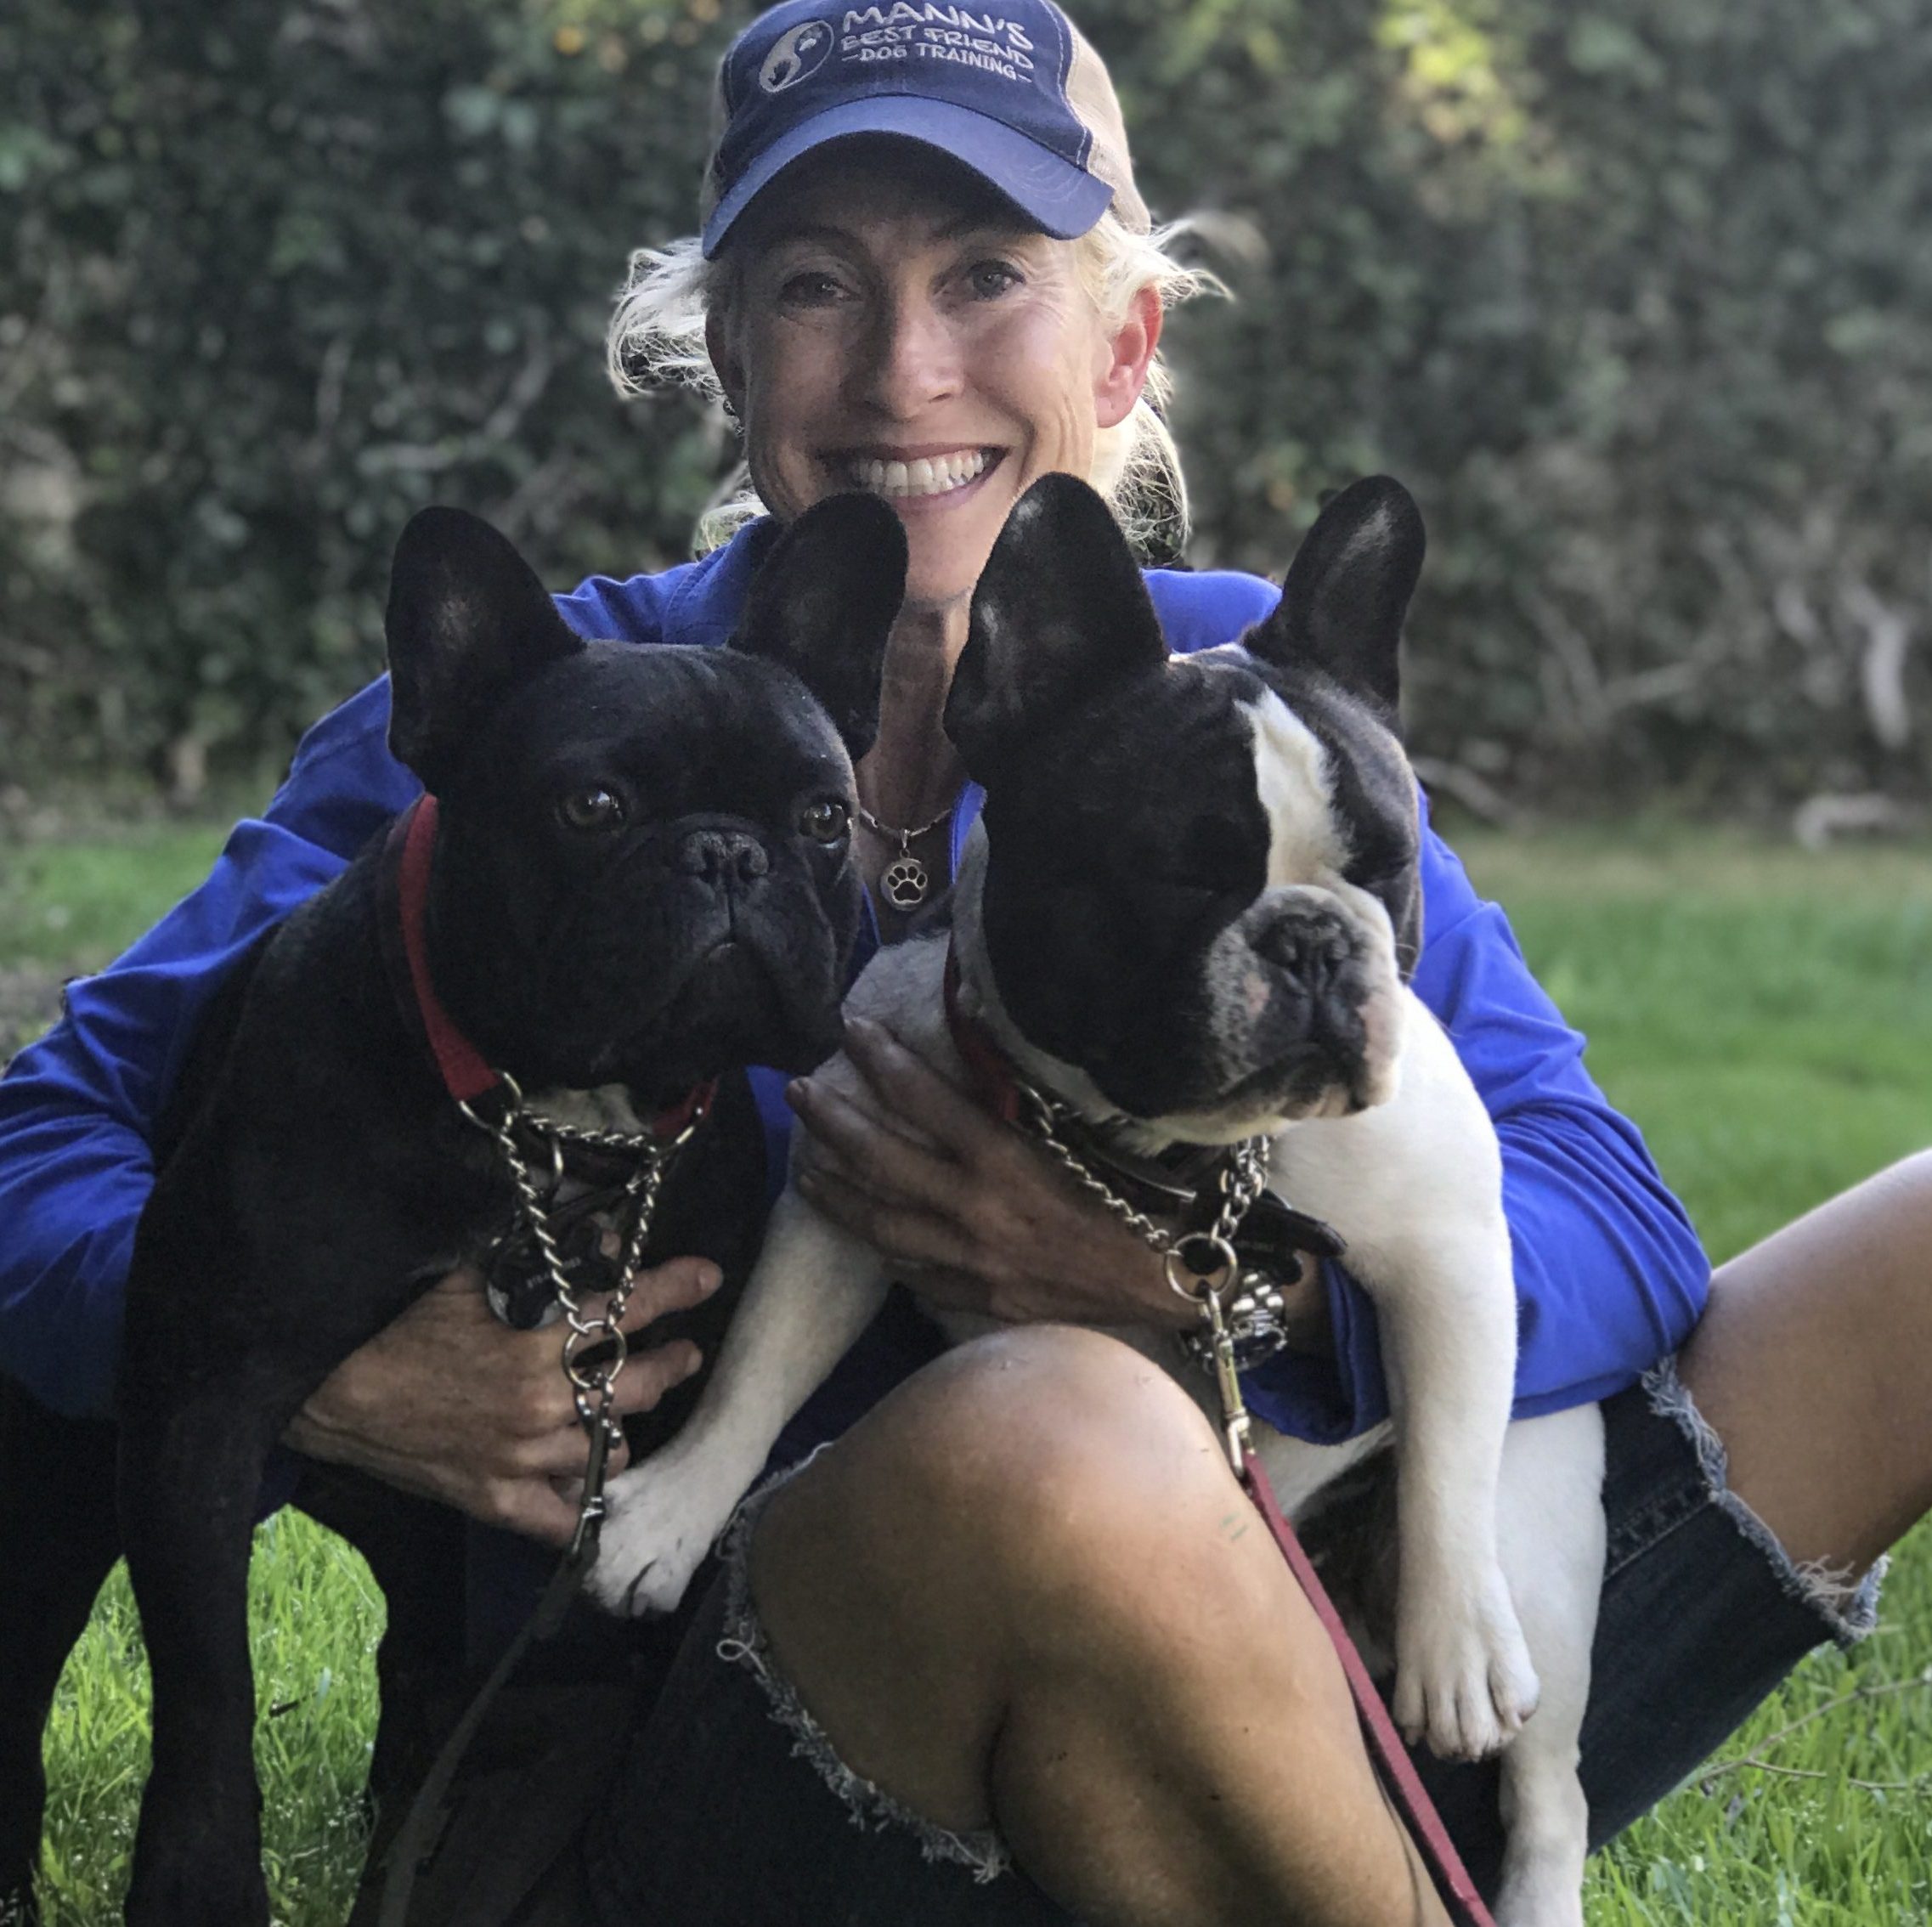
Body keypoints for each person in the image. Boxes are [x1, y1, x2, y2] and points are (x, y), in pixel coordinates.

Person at [0, 2, 1922, 1920]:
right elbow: (44, 1145)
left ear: (1126, 336)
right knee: (1060, 1436)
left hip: (1342, 1619)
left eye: (988, 274)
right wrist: (332, 1378)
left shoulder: (1254, 713)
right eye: (822, 286)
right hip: (752, 1735)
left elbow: (1610, 1218)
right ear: (726, 351)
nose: (907, 371)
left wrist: (1218, 1298)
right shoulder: (552, 724)